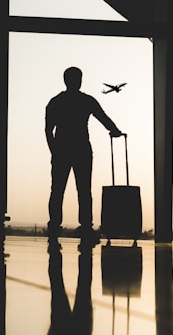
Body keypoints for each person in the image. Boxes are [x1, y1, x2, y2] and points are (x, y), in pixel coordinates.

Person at [45, 66, 122, 246]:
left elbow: (48, 130)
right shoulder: (86, 101)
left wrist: (54, 151)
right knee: (84, 190)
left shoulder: (56, 102)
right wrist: (115, 131)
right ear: (79, 80)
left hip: (62, 149)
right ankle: (86, 227)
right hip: (81, 149)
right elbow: (103, 118)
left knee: (57, 191)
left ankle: (54, 226)